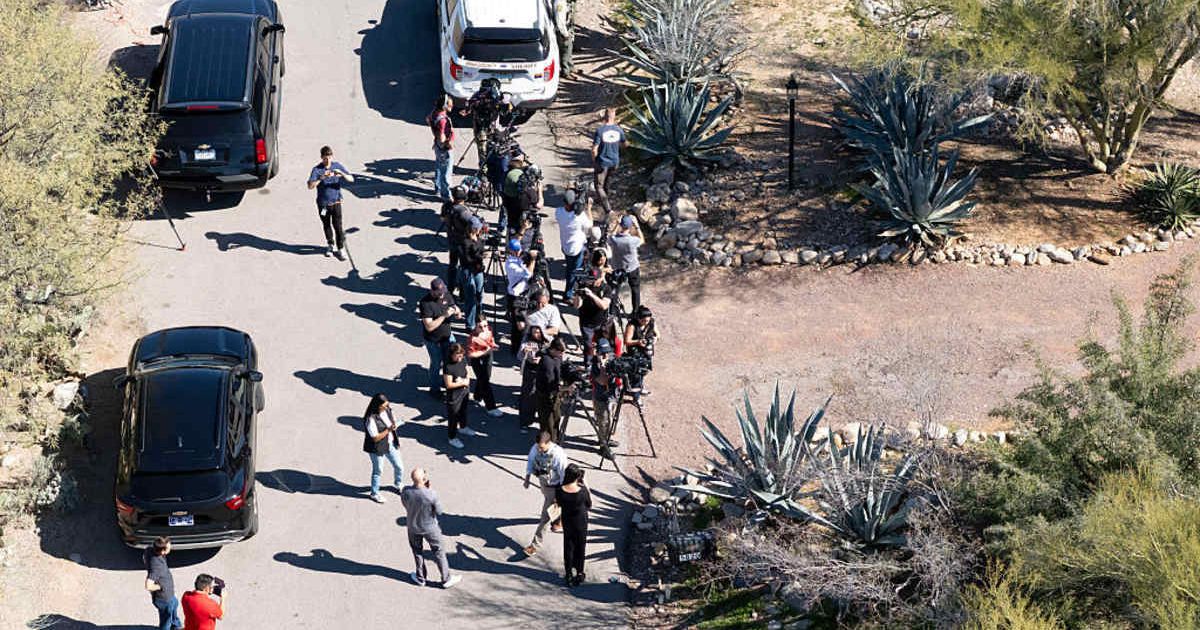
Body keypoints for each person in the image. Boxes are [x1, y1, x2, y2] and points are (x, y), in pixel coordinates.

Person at [401, 468, 463, 589]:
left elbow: (404, 503)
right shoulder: (431, 494)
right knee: (439, 551)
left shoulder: (406, 491)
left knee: (417, 551)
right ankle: (446, 579)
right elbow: (439, 511)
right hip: (430, 528)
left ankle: (420, 577)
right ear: (424, 479)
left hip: (412, 527)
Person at [522, 430, 568, 556]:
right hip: (544, 485)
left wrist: (560, 495)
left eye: (542, 448)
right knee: (554, 508)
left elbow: (564, 475)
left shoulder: (558, 455)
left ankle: (535, 545)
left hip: (555, 487)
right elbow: (531, 461)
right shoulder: (536, 448)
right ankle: (559, 520)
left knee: (545, 517)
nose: (539, 450)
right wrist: (527, 479)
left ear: (549, 443)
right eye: (538, 447)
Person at [306, 146, 355, 260]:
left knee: (338, 227)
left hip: (336, 203)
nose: (327, 161)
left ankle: (341, 248)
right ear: (321, 158)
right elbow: (310, 186)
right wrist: (321, 178)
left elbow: (351, 179)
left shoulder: (337, 166)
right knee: (326, 224)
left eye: (329, 158)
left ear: (331, 156)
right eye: (325, 158)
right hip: (323, 205)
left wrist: (341, 174)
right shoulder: (317, 170)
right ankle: (330, 244)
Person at [419, 278, 460, 398]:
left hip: (448, 336)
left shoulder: (446, 295)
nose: (442, 294)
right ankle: (434, 388)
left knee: (450, 361)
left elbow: (454, 306)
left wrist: (457, 312)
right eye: (439, 292)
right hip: (433, 341)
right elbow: (429, 327)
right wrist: (444, 316)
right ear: (432, 291)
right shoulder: (425, 303)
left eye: (443, 291)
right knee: (436, 364)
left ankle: (447, 381)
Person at [361, 393, 404, 503]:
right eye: (384, 406)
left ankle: (398, 483)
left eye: (387, 405)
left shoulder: (387, 410)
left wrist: (395, 427)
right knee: (378, 470)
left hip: (390, 444)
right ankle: (374, 493)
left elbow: (392, 422)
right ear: (377, 405)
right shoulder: (371, 419)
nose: (387, 407)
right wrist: (389, 430)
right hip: (377, 447)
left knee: (399, 466)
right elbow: (375, 438)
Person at [555, 463, 592, 586]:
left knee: (568, 546)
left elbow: (559, 503)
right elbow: (589, 504)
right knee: (580, 546)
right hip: (580, 521)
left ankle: (569, 573)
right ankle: (580, 572)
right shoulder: (582, 491)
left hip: (567, 520)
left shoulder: (560, 490)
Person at [555, 190, 593, 302]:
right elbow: (590, 224)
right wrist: (589, 209)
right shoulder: (579, 216)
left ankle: (570, 289)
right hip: (577, 249)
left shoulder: (559, 212)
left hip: (565, 246)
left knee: (569, 268)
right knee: (574, 271)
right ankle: (569, 294)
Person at [504, 238, 537, 354]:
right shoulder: (510, 264)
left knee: (525, 322)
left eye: (519, 250)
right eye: (515, 251)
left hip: (526, 293)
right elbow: (528, 273)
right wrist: (532, 260)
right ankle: (516, 348)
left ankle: (520, 345)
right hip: (516, 296)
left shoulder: (520, 259)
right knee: (519, 325)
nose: (518, 252)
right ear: (511, 251)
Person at [591, 107, 626, 216]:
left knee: (598, 186)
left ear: (604, 117)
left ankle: (608, 210)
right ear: (614, 116)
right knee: (607, 181)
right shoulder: (619, 130)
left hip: (602, 162)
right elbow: (625, 144)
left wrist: (595, 160)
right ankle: (602, 199)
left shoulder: (600, 131)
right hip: (614, 162)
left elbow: (594, 149)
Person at [573, 268, 611, 364]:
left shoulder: (605, 288)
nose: (592, 282)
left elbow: (604, 305)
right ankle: (588, 364)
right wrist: (577, 293)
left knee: (603, 345)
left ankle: (603, 364)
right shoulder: (584, 286)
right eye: (590, 279)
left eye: (594, 279)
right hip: (587, 323)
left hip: (601, 322)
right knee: (589, 346)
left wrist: (592, 295)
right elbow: (577, 305)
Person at [467, 320, 504, 417]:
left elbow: (491, 339)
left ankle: (477, 396)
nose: (484, 329)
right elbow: (472, 355)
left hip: (488, 354)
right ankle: (491, 407)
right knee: (484, 381)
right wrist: (486, 350)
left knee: (486, 377)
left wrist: (493, 345)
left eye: (485, 326)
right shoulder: (473, 338)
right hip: (477, 359)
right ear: (475, 326)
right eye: (480, 327)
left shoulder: (489, 330)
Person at [144, 536, 182, 630]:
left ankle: (176, 625)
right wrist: (161, 587)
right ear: (162, 551)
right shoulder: (157, 567)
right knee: (166, 621)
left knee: (174, 605)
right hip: (164, 599)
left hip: (169, 596)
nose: (171, 548)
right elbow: (148, 585)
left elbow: (144, 558)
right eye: (168, 547)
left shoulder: (150, 550)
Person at [609, 214, 644, 314]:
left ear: (621, 225)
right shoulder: (632, 240)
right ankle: (635, 311)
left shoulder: (615, 239)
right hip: (632, 267)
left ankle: (612, 310)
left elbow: (610, 235)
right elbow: (642, 240)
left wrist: (617, 224)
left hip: (617, 267)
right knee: (635, 289)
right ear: (630, 226)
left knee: (615, 289)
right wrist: (637, 226)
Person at [442, 343, 475, 449]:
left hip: (464, 391)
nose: (460, 357)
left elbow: (467, 372)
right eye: (458, 355)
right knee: (453, 417)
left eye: (461, 355)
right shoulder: (448, 367)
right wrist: (462, 383)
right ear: (452, 355)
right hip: (454, 396)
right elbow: (449, 384)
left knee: (463, 411)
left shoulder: (463, 360)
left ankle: (463, 427)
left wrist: (466, 381)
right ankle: (452, 437)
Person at [442, 185, 473, 294]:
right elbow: (473, 224)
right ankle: (463, 292)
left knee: (452, 265)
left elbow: (442, 218)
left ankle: (450, 288)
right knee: (465, 267)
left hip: (451, 238)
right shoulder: (463, 211)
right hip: (462, 242)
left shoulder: (447, 205)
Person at [535, 337, 566, 439]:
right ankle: (549, 444)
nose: (561, 355)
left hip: (554, 395)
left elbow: (560, 367)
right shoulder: (546, 361)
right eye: (560, 352)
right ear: (553, 350)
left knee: (556, 417)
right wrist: (565, 388)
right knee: (548, 423)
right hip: (546, 396)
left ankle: (555, 438)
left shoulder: (556, 357)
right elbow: (550, 384)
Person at [458, 216, 487, 328]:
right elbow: (466, 259)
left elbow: (481, 249)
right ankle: (470, 325)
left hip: (478, 270)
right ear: (474, 229)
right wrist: (479, 256)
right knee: (471, 298)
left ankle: (479, 317)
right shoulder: (464, 242)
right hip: (468, 271)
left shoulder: (479, 239)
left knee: (480, 294)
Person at [518, 325, 549, 428]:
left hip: (543, 371)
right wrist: (525, 353)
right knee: (528, 395)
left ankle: (540, 418)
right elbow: (520, 355)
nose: (536, 334)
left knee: (541, 395)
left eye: (538, 332)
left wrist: (542, 359)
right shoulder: (527, 341)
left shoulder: (547, 342)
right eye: (534, 332)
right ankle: (525, 420)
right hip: (530, 370)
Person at [590, 338, 618, 451]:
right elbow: (602, 381)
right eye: (603, 353)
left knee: (610, 419)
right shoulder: (595, 365)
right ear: (597, 353)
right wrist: (602, 367)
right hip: (601, 397)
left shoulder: (612, 358)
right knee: (603, 421)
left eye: (607, 352)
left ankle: (606, 438)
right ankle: (603, 445)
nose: (606, 355)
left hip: (612, 394)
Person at [427, 94, 455, 201]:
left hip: (437, 146)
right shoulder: (443, 120)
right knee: (447, 172)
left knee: (439, 167)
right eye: (450, 105)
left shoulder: (434, 113)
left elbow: (428, 119)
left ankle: (437, 188)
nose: (452, 107)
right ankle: (446, 195)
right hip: (444, 149)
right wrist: (448, 143)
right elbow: (442, 137)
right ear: (444, 106)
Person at [624, 305, 657, 395]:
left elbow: (657, 334)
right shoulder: (632, 325)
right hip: (635, 353)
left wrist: (654, 339)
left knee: (643, 371)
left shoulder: (651, 322)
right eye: (644, 321)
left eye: (648, 320)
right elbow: (627, 341)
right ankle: (635, 394)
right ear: (638, 318)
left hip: (646, 352)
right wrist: (638, 342)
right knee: (636, 373)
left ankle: (639, 387)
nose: (646, 323)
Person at [502, 155, 528, 233]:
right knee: (519, 224)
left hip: (508, 201)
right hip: (518, 203)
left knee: (511, 223)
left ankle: (509, 236)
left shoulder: (507, 174)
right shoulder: (519, 174)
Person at [553, 0, 575, 76]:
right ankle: (565, 72)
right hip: (563, 32)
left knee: (569, 49)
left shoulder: (564, 2)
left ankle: (571, 67)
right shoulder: (560, 3)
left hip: (568, 30)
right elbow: (559, 21)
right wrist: (565, 34)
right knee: (565, 52)